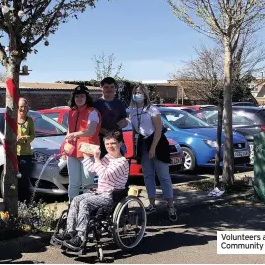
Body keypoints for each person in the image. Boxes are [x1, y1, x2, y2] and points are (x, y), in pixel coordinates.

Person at [53, 130, 129, 251]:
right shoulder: (107, 158)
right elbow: (94, 170)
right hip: (99, 192)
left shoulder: (122, 162)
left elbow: (104, 175)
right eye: (107, 144)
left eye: (113, 143)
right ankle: (70, 231)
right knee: (76, 199)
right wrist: (86, 156)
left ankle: (80, 237)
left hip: (111, 196)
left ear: (120, 144)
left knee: (84, 203)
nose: (110, 146)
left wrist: (97, 159)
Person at [130, 84, 176, 221]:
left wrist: (153, 148)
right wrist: (134, 147)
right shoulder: (132, 111)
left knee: (163, 176)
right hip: (143, 143)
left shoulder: (152, 109)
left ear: (145, 94)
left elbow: (158, 130)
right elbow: (133, 131)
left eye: (140, 92)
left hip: (157, 143)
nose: (137, 94)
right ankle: (151, 203)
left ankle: (171, 205)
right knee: (148, 175)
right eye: (135, 92)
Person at [60, 85, 101, 201]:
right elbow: (69, 131)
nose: (79, 98)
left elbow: (91, 131)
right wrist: (64, 148)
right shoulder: (72, 112)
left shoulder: (92, 112)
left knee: (87, 182)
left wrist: (74, 135)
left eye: (82, 96)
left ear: (87, 97)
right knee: (73, 182)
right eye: (77, 96)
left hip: (88, 150)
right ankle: (72, 206)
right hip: (73, 151)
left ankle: (87, 207)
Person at [93, 77, 129, 157]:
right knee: (101, 167)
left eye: (112, 87)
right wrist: (104, 131)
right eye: (106, 87)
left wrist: (124, 123)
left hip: (117, 140)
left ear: (115, 88)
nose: (109, 89)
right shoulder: (95, 104)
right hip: (100, 141)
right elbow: (92, 124)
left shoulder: (120, 103)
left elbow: (124, 120)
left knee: (118, 166)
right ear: (101, 88)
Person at [16, 98, 36, 203]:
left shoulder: (30, 120)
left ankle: (25, 203)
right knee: (14, 181)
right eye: (20, 106)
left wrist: (24, 138)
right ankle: (15, 202)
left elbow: (33, 135)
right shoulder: (13, 120)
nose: (22, 109)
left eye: (24, 106)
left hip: (25, 154)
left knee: (24, 180)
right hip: (14, 154)